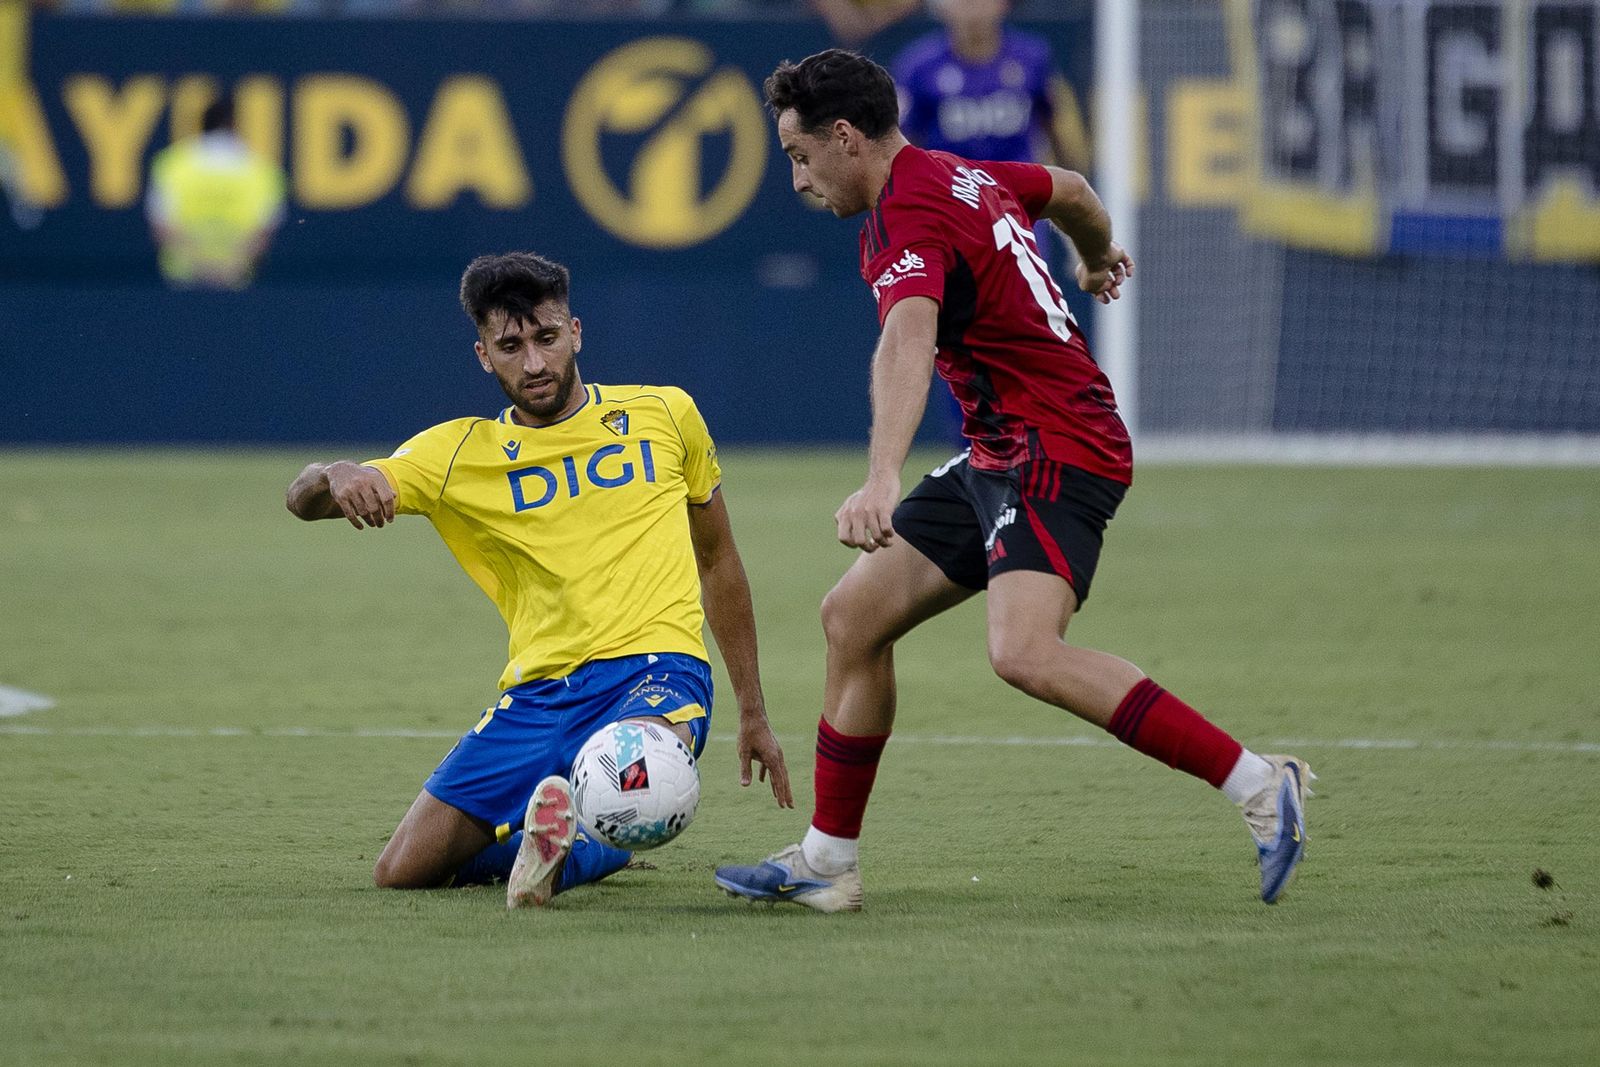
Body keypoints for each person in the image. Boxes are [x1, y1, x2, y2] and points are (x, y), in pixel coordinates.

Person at [713, 50, 1312, 913]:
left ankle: (1262, 784)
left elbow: (907, 343)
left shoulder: (904, 216)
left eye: (800, 155)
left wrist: (881, 478)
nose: (799, 179)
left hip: (1059, 445)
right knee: (852, 616)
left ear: (845, 137)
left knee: (1024, 651)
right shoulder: (957, 175)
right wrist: (1097, 257)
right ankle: (827, 859)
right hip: (1005, 448)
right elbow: (1069, 186)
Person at [286, 251, 793, 909]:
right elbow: (303, 500)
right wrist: (338, 471)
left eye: (547, 338)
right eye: (510, 346)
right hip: (538, 695)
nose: (533, 363)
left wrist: (753, 708)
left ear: (576, 332)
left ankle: (567, 852)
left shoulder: (666, 414)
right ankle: (550, 837)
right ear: (482, 355)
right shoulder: (457, 453)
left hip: (654, 671)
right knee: (402, 870)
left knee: (635, 781)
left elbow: (719, 559)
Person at [145, 96, 286, 290]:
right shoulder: (261, 170)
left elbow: (162, 227)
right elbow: (262, 234)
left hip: (183, 280)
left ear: (202, 124)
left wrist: (202, 267)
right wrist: (227, 269)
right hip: (236, 280)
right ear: (235, 125)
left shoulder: (173, 164)